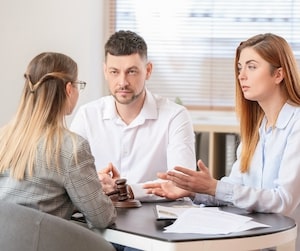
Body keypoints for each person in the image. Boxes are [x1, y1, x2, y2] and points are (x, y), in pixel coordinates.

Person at [144, 33, 300, 249]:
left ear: (278, 74)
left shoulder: (297, 125)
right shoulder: (257, 129)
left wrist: (214, 187)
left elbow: (283, 202)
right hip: (253, 240)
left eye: (252, 67)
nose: (241, 76)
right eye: (239, 67)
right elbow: (236, 188)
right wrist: (195, 190)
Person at [70, 30, 196, 201]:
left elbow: (182, 184)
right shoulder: (87, 115)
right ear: (105, 71)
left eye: (131, 72)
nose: (122, 82)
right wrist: (96, 182)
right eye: (114, 72)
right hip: (102, 214)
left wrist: (124, 190)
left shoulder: (175, 116)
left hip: (155, 221)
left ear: (148, 70)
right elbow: (71, 178)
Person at [0, 52, 117, 231]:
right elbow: (102, 219)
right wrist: (98, 194)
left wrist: (84, 189)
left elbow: (36, 197)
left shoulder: (5, 137)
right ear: (69, 89)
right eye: (78, 85)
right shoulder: (72, 147)